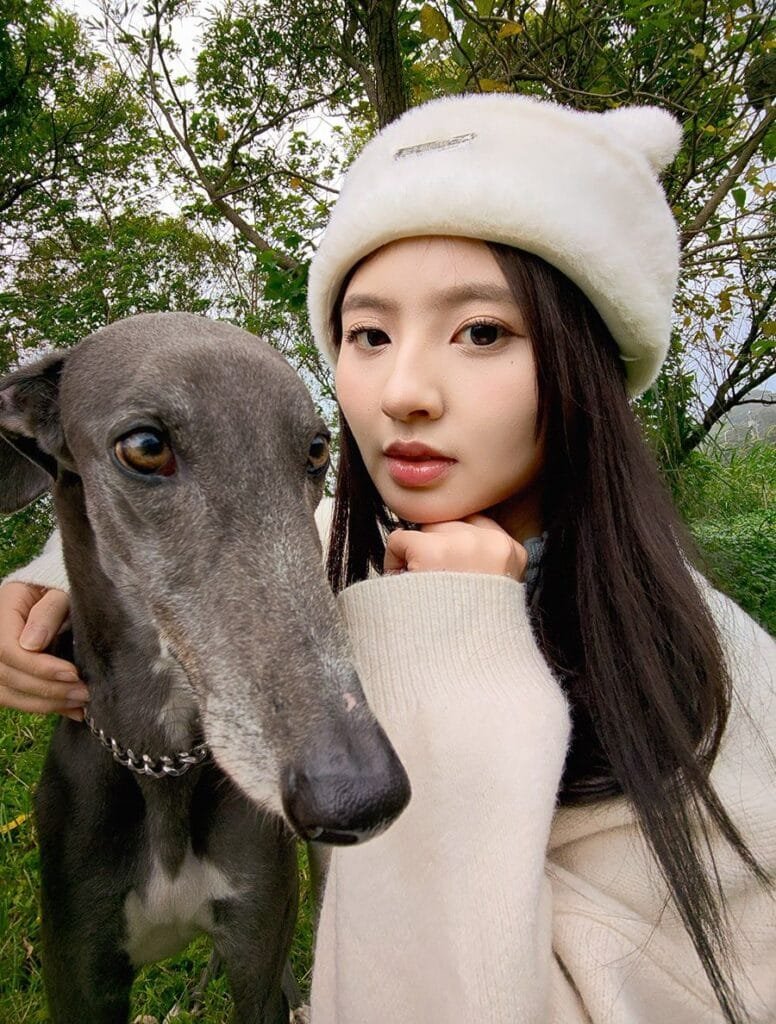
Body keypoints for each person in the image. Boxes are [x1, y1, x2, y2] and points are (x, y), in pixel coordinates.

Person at [0, 94, 774, 1024]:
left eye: (481, 331)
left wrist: (468, 645)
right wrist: (44, 580)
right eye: (369, 334)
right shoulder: (350, 548)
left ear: (588, 370)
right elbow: (245, 516)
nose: (401, 390)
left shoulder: (726, 683)